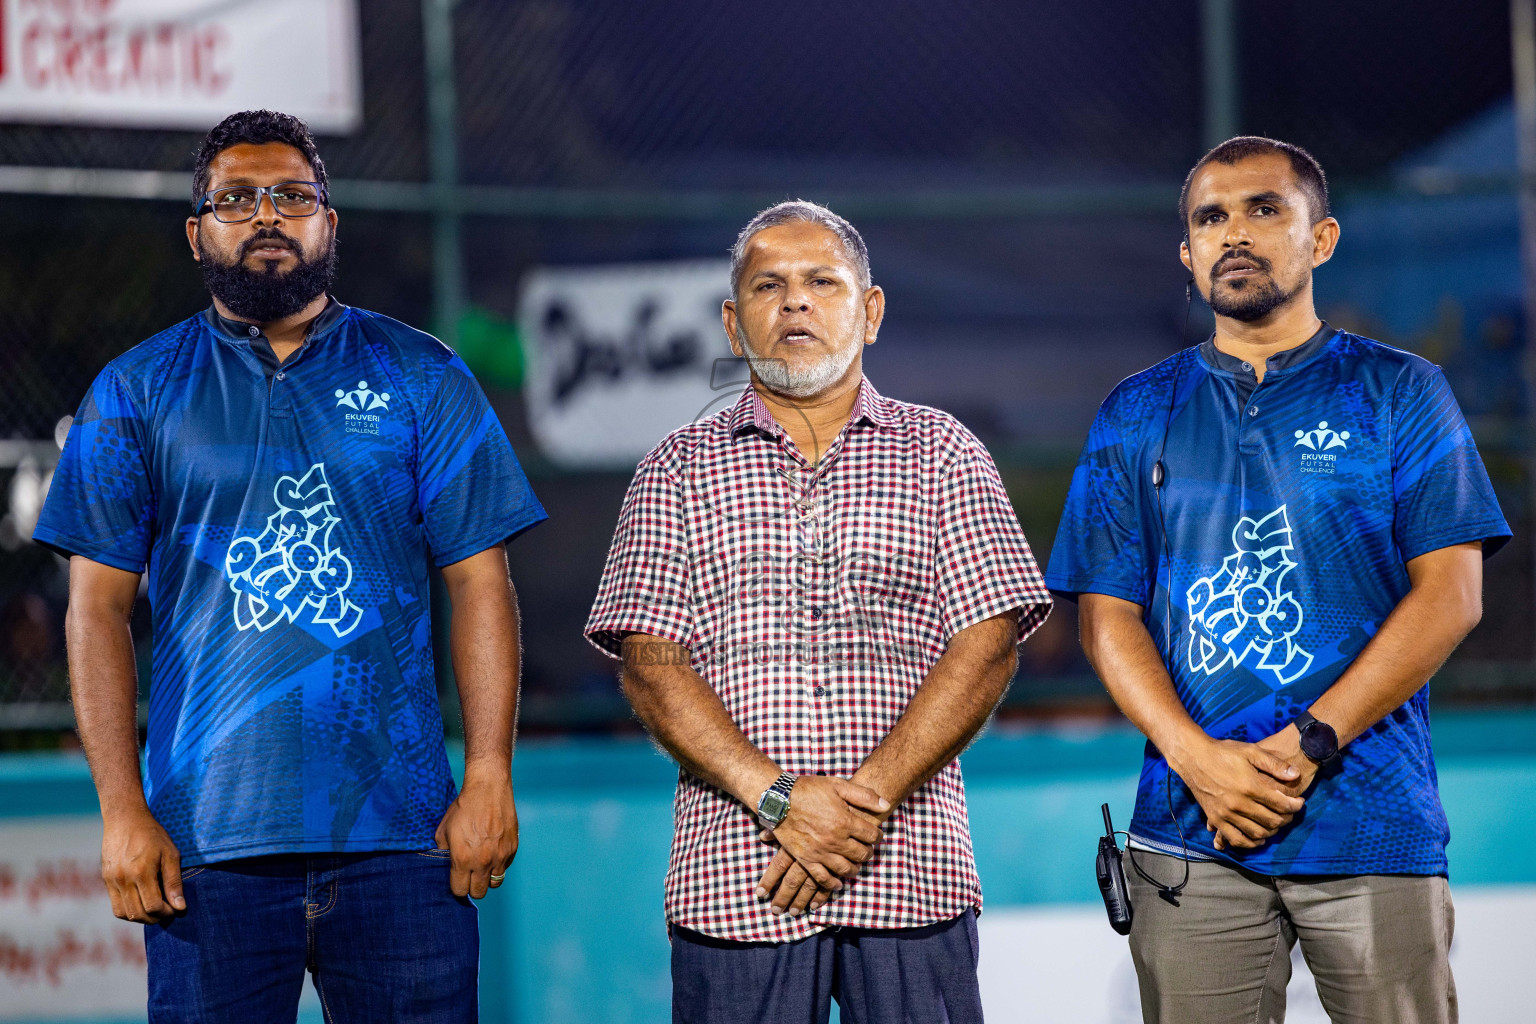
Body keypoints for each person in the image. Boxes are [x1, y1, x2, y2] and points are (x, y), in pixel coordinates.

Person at [34, 110, 546, 1023]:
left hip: (404, 842)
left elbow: (480, 582)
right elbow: (95, 612)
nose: (267, 214)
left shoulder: (421, 375)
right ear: (197, 232)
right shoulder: (135, 391)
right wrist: (121, 808)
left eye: (293, 196)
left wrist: (491, 775)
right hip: (205, 848)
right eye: (235, 198)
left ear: (329, 222)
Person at [1045, 136, 1510, 1023]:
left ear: (1321, 239)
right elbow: (1108, 617)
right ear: (1187, 253)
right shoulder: (1135, 411)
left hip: (1370, 820)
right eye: (1210, 218)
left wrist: (1308, 745)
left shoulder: (1400, 391)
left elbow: (1452, 594)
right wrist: (1200, 761)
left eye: (1265, 209)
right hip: (1192, 831)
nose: (1234, 233)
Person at [585, 200, 1052, 1023]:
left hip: (911, 872)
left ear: (869, 311)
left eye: (821, 282)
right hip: (737, 876)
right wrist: (780, 801)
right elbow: (651, 666)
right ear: (734, 325)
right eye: (768, 285)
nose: (795, 302)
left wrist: (854, 805)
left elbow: (988, 645)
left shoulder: (943, 451)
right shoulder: (675, 468)